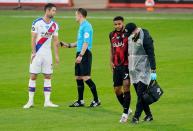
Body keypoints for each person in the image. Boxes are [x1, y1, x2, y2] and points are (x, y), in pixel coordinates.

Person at [60, 8, 100, 107]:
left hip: (85, 54)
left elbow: (86, 43)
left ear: (80, 15)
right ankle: (80, 101)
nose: (75, 17)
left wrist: (81, 55)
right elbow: (80, 42)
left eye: (75, 15)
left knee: (86, 77)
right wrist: (68, 45)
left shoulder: (87, 26)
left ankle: (96, 100)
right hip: (80, 53)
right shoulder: (82, 26)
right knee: (78, 77)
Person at [23, 3, 60, 109]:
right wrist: (34, 53)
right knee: (33, 76)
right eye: (53, 10)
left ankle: (47, 101)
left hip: (48, 54)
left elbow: (56, 41)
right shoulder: (37, 23)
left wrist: (56, 56)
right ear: (47, 11)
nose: (54, 12)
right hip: (37, 54)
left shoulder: (55, 25)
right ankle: (30, 102)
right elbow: (33, 39)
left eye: (55, 10)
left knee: (48, 76)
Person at [124, 23, 157, 124]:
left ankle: (136, 117)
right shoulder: (131, 36)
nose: (128, 35)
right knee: (140, 95)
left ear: (135, 30)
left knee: (140, 95)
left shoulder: (145, 38)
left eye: (130, 33)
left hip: (143, 70)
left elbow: (151, 53)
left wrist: (153, 70)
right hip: (133, 70)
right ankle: (149, 115)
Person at [109, 16, 132, 123]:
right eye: (115, 24)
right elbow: (111, 48)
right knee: (117, 90)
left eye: (119, 24)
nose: (117, 26)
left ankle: (125, 114)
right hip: (116, 66)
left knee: (126, 87)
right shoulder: (111, 35)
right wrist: (111, 61)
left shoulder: (128, 34)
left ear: (123, 23)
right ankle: (127, 108)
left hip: (127, 65)